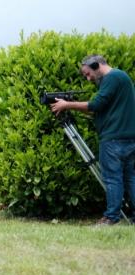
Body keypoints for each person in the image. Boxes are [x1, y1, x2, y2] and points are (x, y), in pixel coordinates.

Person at [51, 55, 135, 225]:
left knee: (113, 178)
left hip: (113, 139)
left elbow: (96, 104)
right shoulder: (121, 77)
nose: (88, 78)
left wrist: (66, 105)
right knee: (130, 177)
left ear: (96, 65)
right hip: (128, 138)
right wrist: (74, 105)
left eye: (88, 73)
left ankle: (111, 218)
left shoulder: (112, 78)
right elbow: (100, 110)